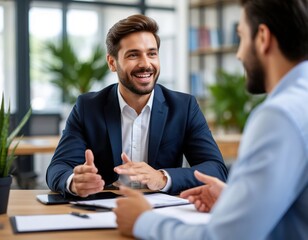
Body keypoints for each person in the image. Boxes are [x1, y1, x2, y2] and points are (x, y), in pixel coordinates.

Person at [113, 0, 308, 239]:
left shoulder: (279, 116)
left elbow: (225, 237)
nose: (239, 54)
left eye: (241, 37)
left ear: (263, 38)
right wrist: (233, 200)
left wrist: (142, 221)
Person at [46, 14, 228, 198]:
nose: (145, 64)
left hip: (162, 213)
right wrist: (74, 182)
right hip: (105, 211)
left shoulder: (184, 107)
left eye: (152, 53)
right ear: (112, 63)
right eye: (133, 55)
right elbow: (58, 167)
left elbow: (216, 169)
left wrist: (162, 178)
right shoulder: (88, 107)